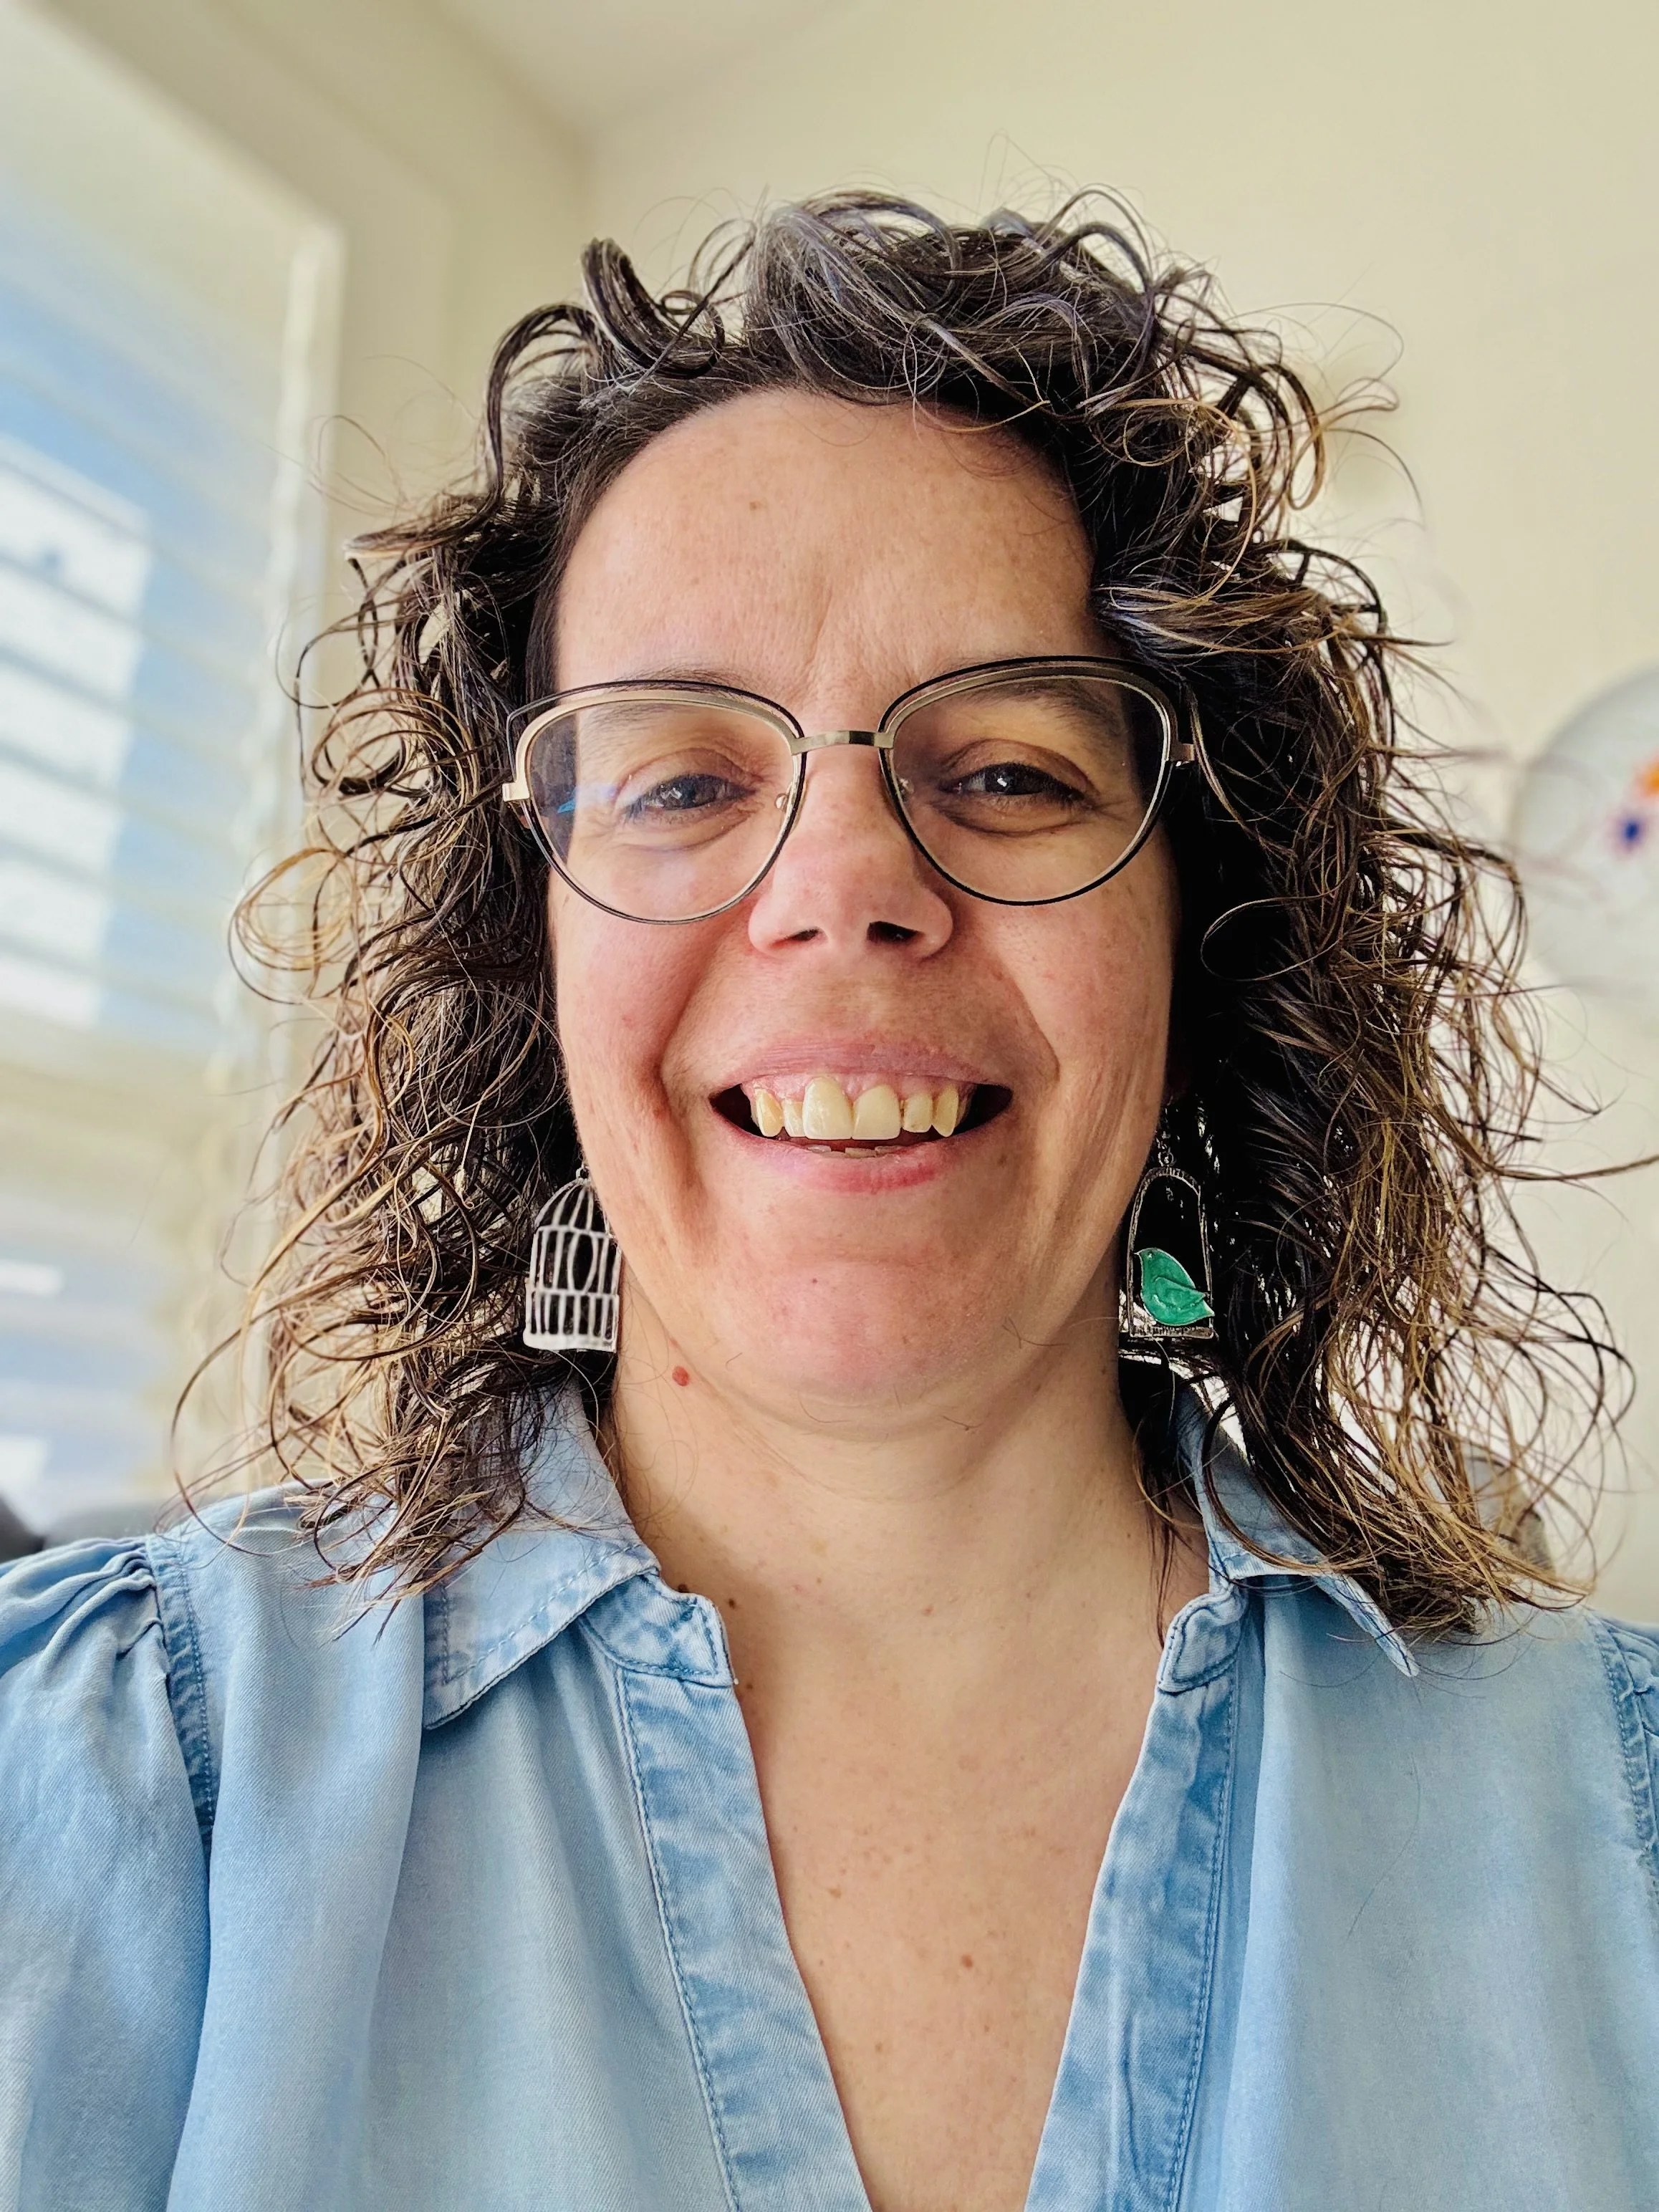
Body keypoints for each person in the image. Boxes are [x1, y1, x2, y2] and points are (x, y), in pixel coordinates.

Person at [1, 193, 1655, 2212]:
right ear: (529, 971)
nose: (842, 881)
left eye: (1014, 772)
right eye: (686, 780)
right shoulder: (125, 1774)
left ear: (1199, 948)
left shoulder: (1614, 1828)